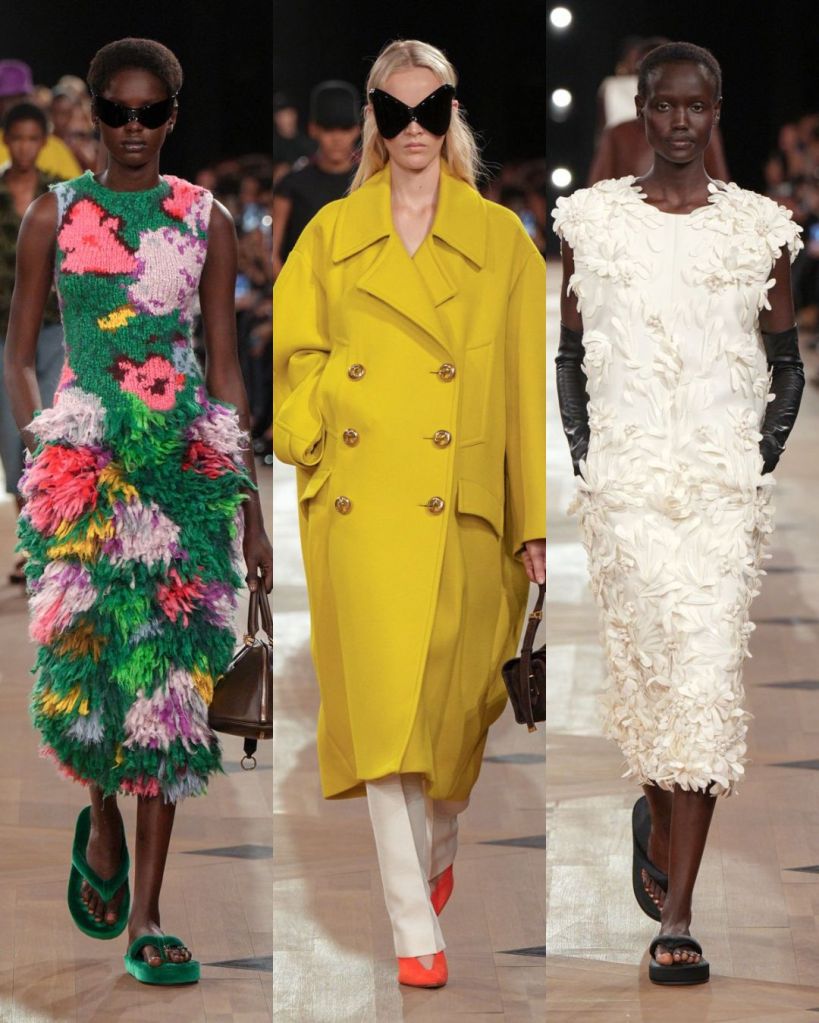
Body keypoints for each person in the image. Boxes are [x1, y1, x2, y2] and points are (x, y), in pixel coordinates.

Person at [274, 38, 545, 989]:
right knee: (384, 716)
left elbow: (521, 389)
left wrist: (531, 519)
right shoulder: (329, 236)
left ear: (452, 115)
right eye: (395, 112)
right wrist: (322, 411)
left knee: (455, 719)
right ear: (373, 124)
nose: (414, 129)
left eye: (432, 110)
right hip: (359, 504)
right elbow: (295, 354)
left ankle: (440, 844)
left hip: (461, 501)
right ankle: (409, 924)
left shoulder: (502, 241)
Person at [3, 37, 272, 985]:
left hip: (181, 472)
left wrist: (250, 502)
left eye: (148, 112)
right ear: (93, 117)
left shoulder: (205, 219)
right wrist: (41, 449)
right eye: (114, 112)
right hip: (80, 471)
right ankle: (102, 815)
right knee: (85, 675)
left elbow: (226, 365)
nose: (130, 128)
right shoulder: (53, 213)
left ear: (171, 117)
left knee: (170, 688)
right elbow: (17, 350)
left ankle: (149, 915)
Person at [553, 42, 803, 985]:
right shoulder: (593, 222)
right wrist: (590, 457)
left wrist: (750, 461)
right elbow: (570, 355)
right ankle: (656, 823)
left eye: (697, 107)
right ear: (640, 111)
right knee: (649, 674)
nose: (681, 123)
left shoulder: (758, 230)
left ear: (716, 110)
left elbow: (786, 365)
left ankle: (679, 915)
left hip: (717, 499)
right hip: (625, 495)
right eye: (664, 106)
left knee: (701, 681)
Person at [0, 103, 63, 585]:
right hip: (4, 329)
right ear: (7, 140)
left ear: (42, 141)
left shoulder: (59, 195)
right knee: (11, 434)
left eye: (31, 138)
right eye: (16, 138)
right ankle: (33, 538)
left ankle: (46, 539)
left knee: (50, 428)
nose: (24, 146)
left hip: (55, 326)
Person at [272, 80, 360, 277]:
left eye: (345, 128)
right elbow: (274, 253)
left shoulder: (370, 181)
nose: (337, 138)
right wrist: (288, 291)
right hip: (303, 288)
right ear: (314, 129)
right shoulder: (291, 185)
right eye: (329, 129)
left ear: (357, 130)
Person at [0, 61, 81, 180]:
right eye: (8, 99)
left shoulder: (55, 147)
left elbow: (78, 189)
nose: (14, 105)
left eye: (20, 98)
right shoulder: (55, 146)